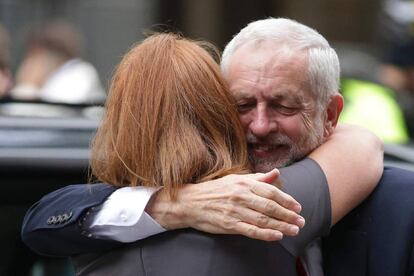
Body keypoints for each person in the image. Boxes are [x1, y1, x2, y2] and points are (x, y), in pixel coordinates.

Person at [21, 19, 388, 275]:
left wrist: (167, 204)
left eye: (284, 106)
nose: (259, 125)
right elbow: (363, 144)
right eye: (242, 106)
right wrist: (177, 204)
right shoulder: (263, 206)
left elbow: (39, 224)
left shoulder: (91, 239)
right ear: (218, 116)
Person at [10, 20, 105, 104]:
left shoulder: (80, 73)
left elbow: (57, 113)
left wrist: (27, 86)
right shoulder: (65, 74)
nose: (28, 61)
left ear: (39, 51)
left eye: (31, 54)